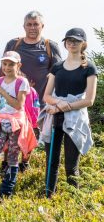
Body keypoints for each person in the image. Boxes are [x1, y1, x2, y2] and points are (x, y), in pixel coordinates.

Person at [40, 28, 97, 198]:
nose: (72, 43)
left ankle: (74, 200)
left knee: (71, 164)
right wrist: (59, 104)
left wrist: (64, 106)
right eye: (69, 40)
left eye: (76, 41)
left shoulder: (89, 67)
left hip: (75, 119)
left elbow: (89, 100)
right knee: (52, 162)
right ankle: (49, 196)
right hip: (54, 118)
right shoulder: (57, 67)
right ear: (65, 43)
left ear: (83, 44)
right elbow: (46, 96)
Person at [2, 10, 62, 172]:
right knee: (8, 132)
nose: (32, 28)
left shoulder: (50, 46)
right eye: (29, 24)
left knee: (31, 134)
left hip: (38, 102)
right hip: (13, 101)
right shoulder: (14, 44)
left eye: (36, 24)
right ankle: (5, 162)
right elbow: (3, 70)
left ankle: (24, 163)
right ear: (24, 26)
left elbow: (57, 73)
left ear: (42, 26)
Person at [0, 51, 37, 197]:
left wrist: (3, 92)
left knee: (13, 157)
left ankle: (6, 190)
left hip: (16, 124)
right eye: (5, 64)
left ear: (18, 65)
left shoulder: (22, 82)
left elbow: (19, 105)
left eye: (11, 64)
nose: (7, 67)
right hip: (0, 122)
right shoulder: (0, 80)